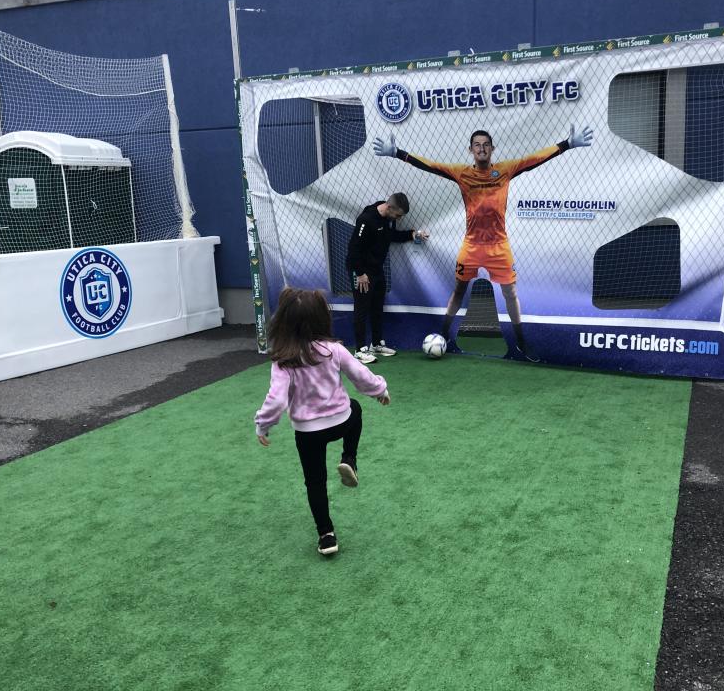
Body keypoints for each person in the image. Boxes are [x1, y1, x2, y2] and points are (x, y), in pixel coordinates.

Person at [373, 126, 593, 361]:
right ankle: (445, 334)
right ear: (471, 150)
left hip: (499, 246)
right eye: (477, 145)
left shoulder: (505, 170)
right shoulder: (462, 173)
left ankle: (520, 342)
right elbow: (431, 165)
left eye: (486, 144)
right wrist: (397, 152)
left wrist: (567, 144)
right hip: (472, 246)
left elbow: (534, 160)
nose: (481, 148)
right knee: (459, 290)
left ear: (492, 149)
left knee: (510, 293)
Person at [254, 287, 390, 557]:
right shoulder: (334, 350)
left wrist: (263, 424)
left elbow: (276, 399)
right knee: (357, 409)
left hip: (308, 432)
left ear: (283, 322)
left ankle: (326, 535)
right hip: (341, 420)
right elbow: (360, 374)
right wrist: (380, 390)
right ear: (321, 319)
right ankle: (349, 459)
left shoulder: (283, 360)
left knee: (315, 481)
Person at [345, 192, 428, 364]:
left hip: (377, 269)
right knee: (362, 308)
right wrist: (360, 274)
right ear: (389, 207)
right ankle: (360, 350)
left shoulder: (388, 218)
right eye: (398, 215)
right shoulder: (366, 219)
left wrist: (412, 234)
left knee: (377, 306)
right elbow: (353, 249)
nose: (398, 218)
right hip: (361, 270)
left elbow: (391, 236)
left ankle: (376, 344)